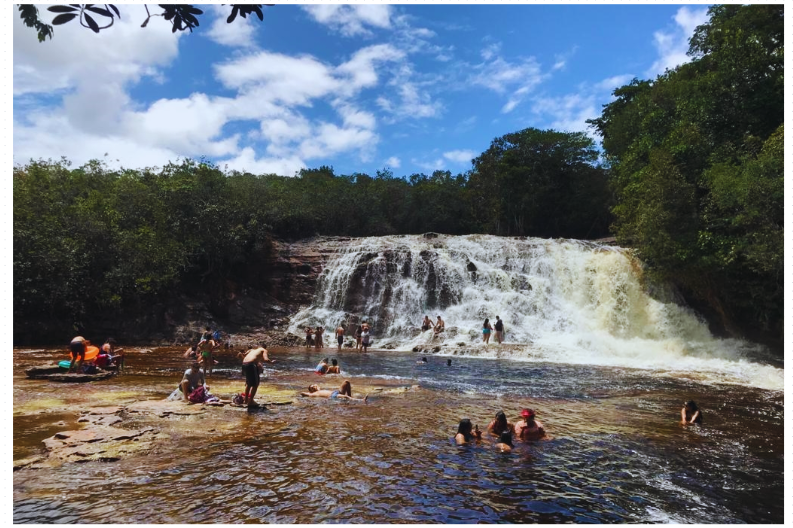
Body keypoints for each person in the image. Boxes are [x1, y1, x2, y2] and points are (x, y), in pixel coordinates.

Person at [300, 380, 367, 401]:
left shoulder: (319, 389)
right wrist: (308, 393)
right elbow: (302, 393)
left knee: (347, 382)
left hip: (336, 392)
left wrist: (316, 387)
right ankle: (361, 400)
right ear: (311, 391)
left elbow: (317, 385)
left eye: (313, 386)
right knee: (345, 397)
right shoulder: (312, 394)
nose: (314, 387)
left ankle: (350, 398)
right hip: (333, 396)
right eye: (312, 388)